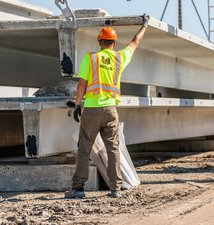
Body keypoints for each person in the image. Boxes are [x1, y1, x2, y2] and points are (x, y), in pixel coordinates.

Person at [65, 17, 148, 199]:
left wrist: (78, 104)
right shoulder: (120, 58)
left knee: (84, 148)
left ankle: (78, 188)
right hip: (111, 111)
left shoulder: (91, 58)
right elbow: (135, 42)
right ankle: (115, 188)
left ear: (99, 42)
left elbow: (81, 84)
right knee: (113, 149)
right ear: (114, 43)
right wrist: (144, 26)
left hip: (92, 110)